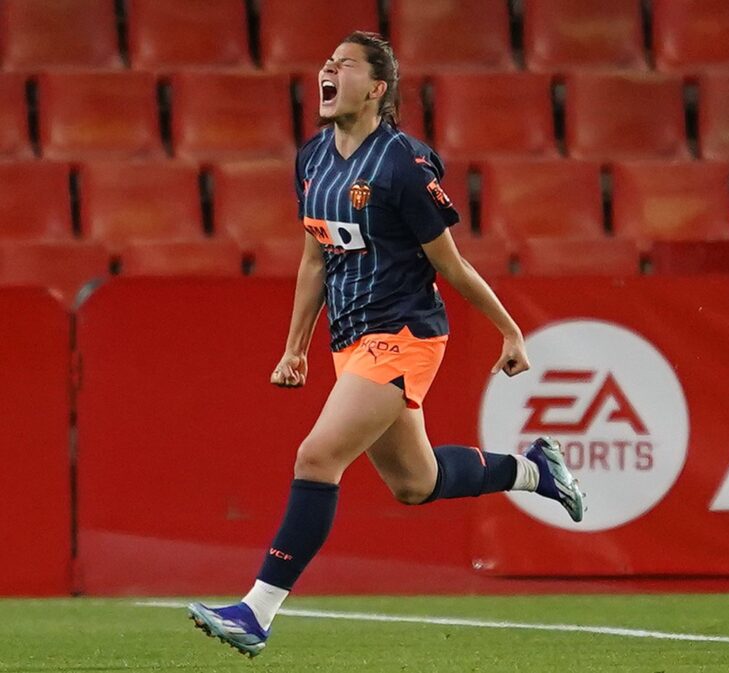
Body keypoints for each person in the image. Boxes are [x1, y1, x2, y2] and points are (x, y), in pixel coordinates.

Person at [186, 31, 585, 658]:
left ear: (376, 88)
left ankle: (256, 611)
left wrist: (509, 328)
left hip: (403, 334)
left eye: (343, 65)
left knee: (317, 457)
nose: (327, 70)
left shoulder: (403, 162)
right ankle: (536, 470)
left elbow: (450, 266)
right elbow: (315, 257)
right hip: (351, 340)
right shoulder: (312, 160)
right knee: (416, 483)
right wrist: (296, 348)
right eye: (325, 63)